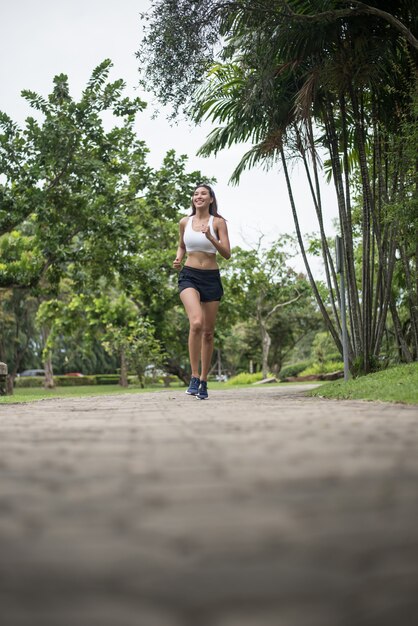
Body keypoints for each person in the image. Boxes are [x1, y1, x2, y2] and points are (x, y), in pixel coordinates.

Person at [173, 184, 231, 400]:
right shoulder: (184, 222)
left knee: (208, 332)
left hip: (211, 279)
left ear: (211, 199)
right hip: (189, 275)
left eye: (203, 194)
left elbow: (226, 253)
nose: (199, 196)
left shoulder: (218, 222)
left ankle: (204, 380)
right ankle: (194, 376)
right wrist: (178, 258)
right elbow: (181, 245)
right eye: (196, 194)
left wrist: (210, 237)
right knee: (196, 322)